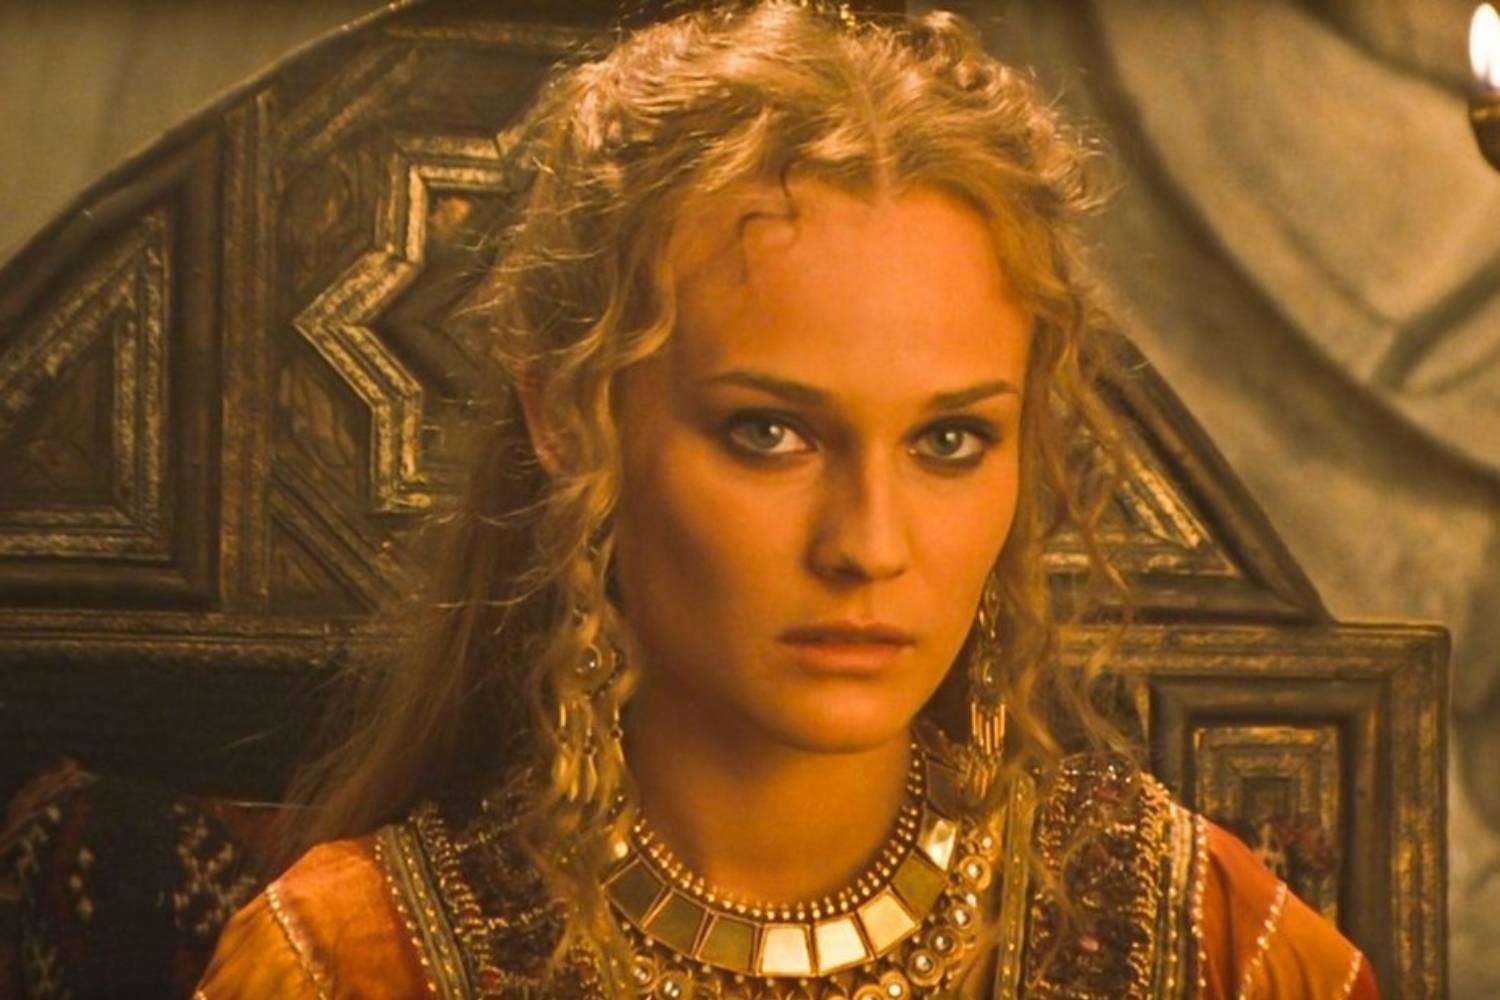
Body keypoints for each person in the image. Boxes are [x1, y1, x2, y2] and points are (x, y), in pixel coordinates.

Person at [195, 3, 1377, 997]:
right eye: (769, 434)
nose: (869, 544)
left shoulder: (1205, 940)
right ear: (566, 416)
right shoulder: (354, 962)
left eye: (950, 440)